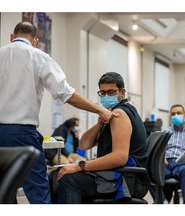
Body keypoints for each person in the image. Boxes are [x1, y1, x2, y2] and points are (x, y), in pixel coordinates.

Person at [0, 22, 116, 204]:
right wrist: (100, 109)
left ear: (12, 37)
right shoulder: (38, 56)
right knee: (38, 191)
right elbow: (66, 94)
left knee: (3, 190)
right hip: (21, 133)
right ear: (35, 41)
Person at [56, 72, 150, 204]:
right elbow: (84, 145)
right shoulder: (111, 115)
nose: (106, 96)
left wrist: (79, 167)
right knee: (55, 176)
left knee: (68, 180)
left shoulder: (119, 114)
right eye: (103, 93)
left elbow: (120, 157)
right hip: (117, 176)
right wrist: (99, 124)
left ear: (122, 92)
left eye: (111, 92)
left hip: (127, 180)